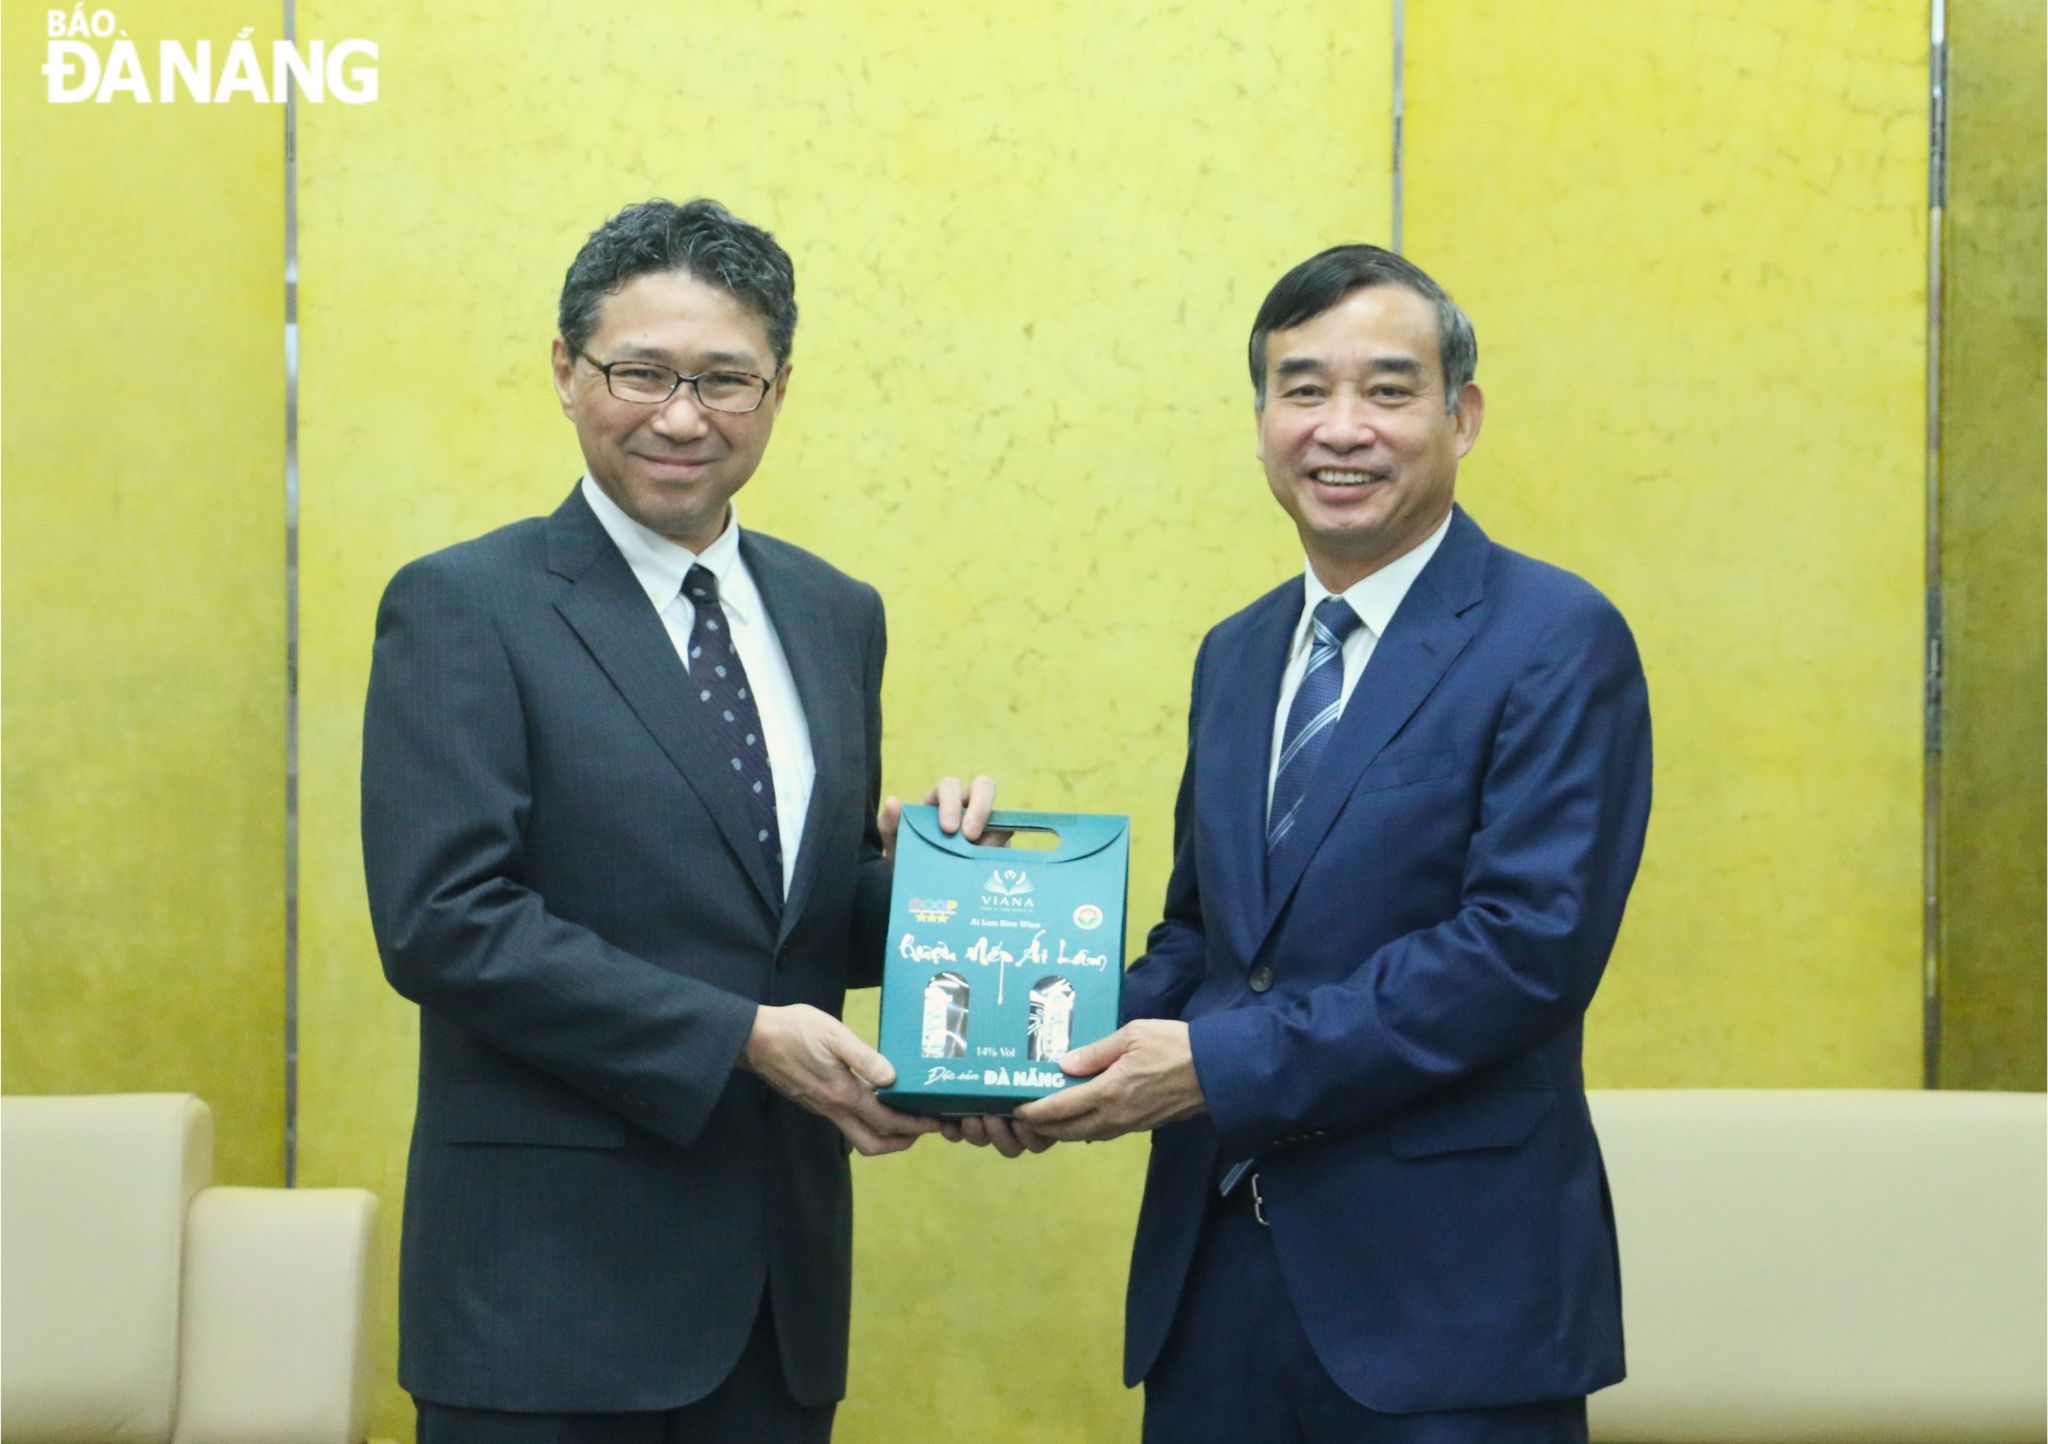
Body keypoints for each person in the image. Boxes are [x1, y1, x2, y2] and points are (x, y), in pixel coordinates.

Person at [361, 197, 994, 1444]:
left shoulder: (831, 613)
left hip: (776, 1302)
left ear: (778, 385)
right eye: (639, 372)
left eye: (724, 379)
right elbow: (444, 924)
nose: (681, 415)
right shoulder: (464, 606)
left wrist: (941, 884)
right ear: (564, 368)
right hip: (545, 1309)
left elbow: (787, 923)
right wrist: (739, 1038)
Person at [1013, 245, 1654, 1442]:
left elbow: (1518, 955)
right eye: (1301, 389)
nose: (1339, 428)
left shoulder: (1555, 638)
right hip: (1212, 1296)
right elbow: (1204, 940)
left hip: (1446, 1314)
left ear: (1459, 415)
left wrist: (1218, 1066)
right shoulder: (1238, 652)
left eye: (1387, 389)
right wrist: (1031, 1050)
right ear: (1259, 420)